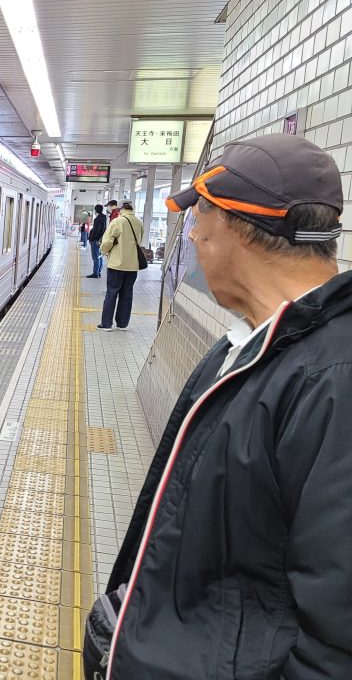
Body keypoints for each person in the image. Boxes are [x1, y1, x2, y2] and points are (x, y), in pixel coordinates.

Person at [85, 134, 352, 679]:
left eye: (200, 217)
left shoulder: (332, 381)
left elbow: (335, 643)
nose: (195, 233)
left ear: (232, 228)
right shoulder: (253, 345)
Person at [97, 201, 143, 330]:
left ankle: (106, 324)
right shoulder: (138, 222)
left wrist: (103, 251)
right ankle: (122, 324)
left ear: (120, 209)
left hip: (117, 264)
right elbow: (140, 240)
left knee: (112, 293)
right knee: (127, 294)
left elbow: (107, 241)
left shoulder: (118, 222)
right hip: (133, 265)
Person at [86, 204, 107, 278]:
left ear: (96, 210)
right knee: (100, 256)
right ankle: (99, 272)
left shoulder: (97, 219)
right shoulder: (105, 218)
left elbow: (96, 230)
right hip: (102, 240)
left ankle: (95, 273)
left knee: (95, 257)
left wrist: (92, 238)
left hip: (96, 240)